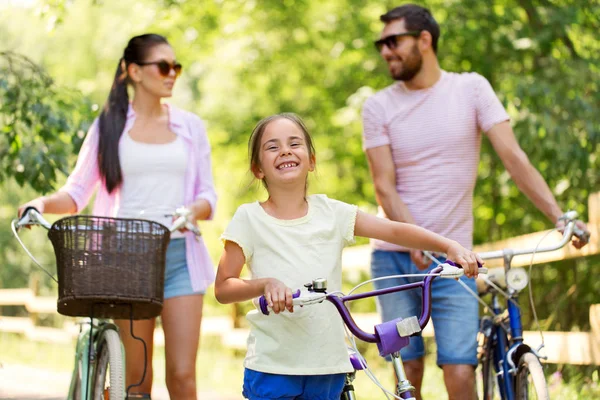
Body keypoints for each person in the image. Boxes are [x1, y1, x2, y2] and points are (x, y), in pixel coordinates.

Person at [362, 4, 590, 400]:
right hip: (395, 258)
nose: (385, 51)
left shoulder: (470, 89)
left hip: (455, 261)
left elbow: (514, 158)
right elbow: (385, 187)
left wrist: (559, 217)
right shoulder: (378, 106)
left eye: (393, 41)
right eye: (381, 44)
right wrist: (417, 240)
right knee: (408, 368)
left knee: (460, 369)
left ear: (424, 40)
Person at [213, 112, 482, 400]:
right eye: (272, 147)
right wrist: (264, 284)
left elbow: (393, 231)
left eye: (294, 143)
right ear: (258, 169)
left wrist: (449, 246)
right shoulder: (249, 218)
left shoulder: (333, 213)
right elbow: (223, 287)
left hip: (328, 366)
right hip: (272, 366)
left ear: (312, 160)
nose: (285, 151)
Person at [18, 34, 217, 399]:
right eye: (163, 66)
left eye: (176, 66)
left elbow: (208, 195)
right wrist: (41, 204)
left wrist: (193, 211)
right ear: (134, 72)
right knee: (137, 380)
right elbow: (76, 192)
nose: (172, 73)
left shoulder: (191, 126)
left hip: (179, 257)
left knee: (184, 376)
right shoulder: (109, 126)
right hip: (127, 261)